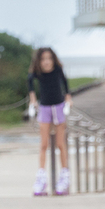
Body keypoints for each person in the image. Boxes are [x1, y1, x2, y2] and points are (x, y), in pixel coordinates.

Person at [27, 47, 71, 195]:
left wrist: (68, 98)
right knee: (43, 144)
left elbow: (65, 83)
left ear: (53, 59)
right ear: (39, 61)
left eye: (49, 58)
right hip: (44, 107)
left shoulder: (58, 69)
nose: (46, 62)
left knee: (60, 143)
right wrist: (33, 99)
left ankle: (65, 176)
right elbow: (29, 81)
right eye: (43, 59)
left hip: (58, 106)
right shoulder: (37, 73)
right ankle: (41, 178)